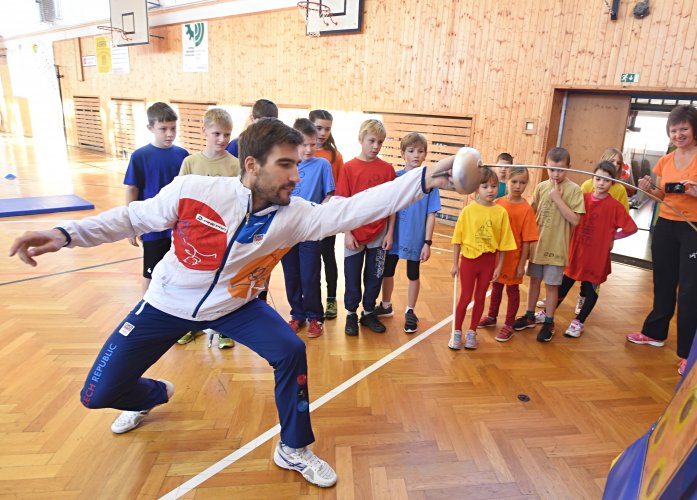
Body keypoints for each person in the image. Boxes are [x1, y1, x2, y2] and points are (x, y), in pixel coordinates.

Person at [8, 118, 456, 489]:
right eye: (285, 165)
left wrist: (422, 178)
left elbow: (353, 209)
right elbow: (130, 217)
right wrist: (64, 234)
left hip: (236, 306)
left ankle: (293, 447)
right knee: (95, 395)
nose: (295, 176)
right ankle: (152, 394)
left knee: (290, 350)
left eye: (297, 165)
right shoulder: (195, 190)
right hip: (165, 304)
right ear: (252, 165)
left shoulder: (295, 214)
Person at [626, 105, 697, 375]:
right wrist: (649, 190)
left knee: (691, 290)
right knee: (663, 282)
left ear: (695, 129)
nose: (678, 134)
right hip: (666, 226)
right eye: (674, 130)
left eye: (683, 128)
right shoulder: (666, 160)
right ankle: (654, 333)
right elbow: (663, 197)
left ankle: (689, 351)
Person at [175, 107, 239, 349]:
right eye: (217, 134)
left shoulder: (235, 165)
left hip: (223, 236)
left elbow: (238, 201)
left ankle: (224, 329)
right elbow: (179, 196)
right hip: (194, 236)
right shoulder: (190, 163)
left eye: (227, 134)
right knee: (194, 283)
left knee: (221, 284)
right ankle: (191, 325)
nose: (223, 140)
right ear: (204, 131)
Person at [513, 147, 585, 342]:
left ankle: (549, 321)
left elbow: (575, 220)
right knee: (534, 281)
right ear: (546, 166)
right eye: (552, 169)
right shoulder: (541, 187)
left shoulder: (574, 190)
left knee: (552, 287)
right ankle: (529, 316)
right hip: (538, 246)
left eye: (560, 170)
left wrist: (557, 199)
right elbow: (532, 213)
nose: (555, 174)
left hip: (557, 248)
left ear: (568, 168)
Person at [559, 161, 637, 338]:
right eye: (598, 178)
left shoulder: (615, 207)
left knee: (591, 289)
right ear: (593, 179)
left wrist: (611, 237)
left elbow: (631, 228)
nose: (601, 183)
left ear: (612, 183)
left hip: (597, 257)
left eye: (606, 180)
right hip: (576, 253)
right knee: (564, 284)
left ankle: (579, 321)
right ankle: (548, 313)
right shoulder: (582, 198)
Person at [335, 119, 396, 336]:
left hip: (379, 234)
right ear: (361, 139)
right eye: (371, 141)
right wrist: (348, 232)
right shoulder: (349, 168)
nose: (375, 146)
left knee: (374, 276)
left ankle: (368, 312)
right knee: (352, 276)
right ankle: (351, 313)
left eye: (380, 142)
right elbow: (342, 204)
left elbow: (392, 205)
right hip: (354, 234)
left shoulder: (388, 169)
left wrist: (389, 232)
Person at [375, 133, 441, 333]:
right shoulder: (395, 177)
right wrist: (388, 233)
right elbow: (390, 208)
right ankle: (386, 305)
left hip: (415, 237)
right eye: (411, 151)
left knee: (413, 273)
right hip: (394, 235)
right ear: (403, 153)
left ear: (425, 154)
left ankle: (410, 311)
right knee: (388, 270)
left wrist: (427, 242)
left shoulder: (430, 182)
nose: (416, 155)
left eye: (420, 151)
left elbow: (431, 214)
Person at [123, 102, 189, 295]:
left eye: (173, 128)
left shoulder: (182, 155)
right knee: (150, 272)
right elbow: (132, 189)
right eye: (163, 129)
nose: (169, 133)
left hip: (177, 226)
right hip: (152, 226)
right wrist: (130, 223)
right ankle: (144, 309)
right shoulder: (140, 156)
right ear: (150, 128)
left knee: (178, 271)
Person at [449, 167, 517, 350]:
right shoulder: (468, 211)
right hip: (469, 262)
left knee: (480, 298)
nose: (490, 190)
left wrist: (498, 266)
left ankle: (472, 332)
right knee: (465, 297)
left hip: (488, 262)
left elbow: (504, 244)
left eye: (494, 186)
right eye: (485, 186)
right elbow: (457, 239)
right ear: (476, 188)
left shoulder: (501, 212)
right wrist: (455, 263)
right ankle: (457, 332)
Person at [280, 118, 335, 338]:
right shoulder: (286, 165)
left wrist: (318, 212)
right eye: (304, 144)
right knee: (291, 274)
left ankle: (315, 317)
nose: (309, 149)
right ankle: (297, 315)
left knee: (310, 275)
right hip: (286, 231)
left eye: (313, 144)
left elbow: (329, 193)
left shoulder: (323, 165)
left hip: (311, 230)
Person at [476, 167, 539, 342]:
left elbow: (527, 240)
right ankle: (491, 316)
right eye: (514, 182)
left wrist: (521, 264)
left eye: (523, 182)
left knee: (512, 290)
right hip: (496, 258)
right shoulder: (498, 203)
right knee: (496, 287)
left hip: (514, 259)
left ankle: (509, 325)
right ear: (507, 181)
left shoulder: (526, 209)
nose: (518, 186)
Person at [309, 109, 344, 320]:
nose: (323, 133)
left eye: (327, 129)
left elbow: (337, 188)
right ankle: (312, 301)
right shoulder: (301, 151)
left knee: (328, 257)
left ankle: (331, 299)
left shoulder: (334, 156)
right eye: (318, 128)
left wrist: (326, 209)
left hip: (326, 217)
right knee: (310, 262)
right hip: (305, 219)